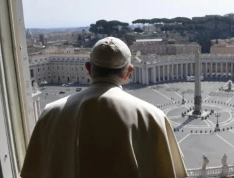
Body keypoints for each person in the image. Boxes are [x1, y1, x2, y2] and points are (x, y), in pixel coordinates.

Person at [20, 37, 187, 178]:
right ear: (129, 72)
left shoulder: (50, 113)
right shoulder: (153, 116)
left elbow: (32, 172)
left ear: (88, 68)